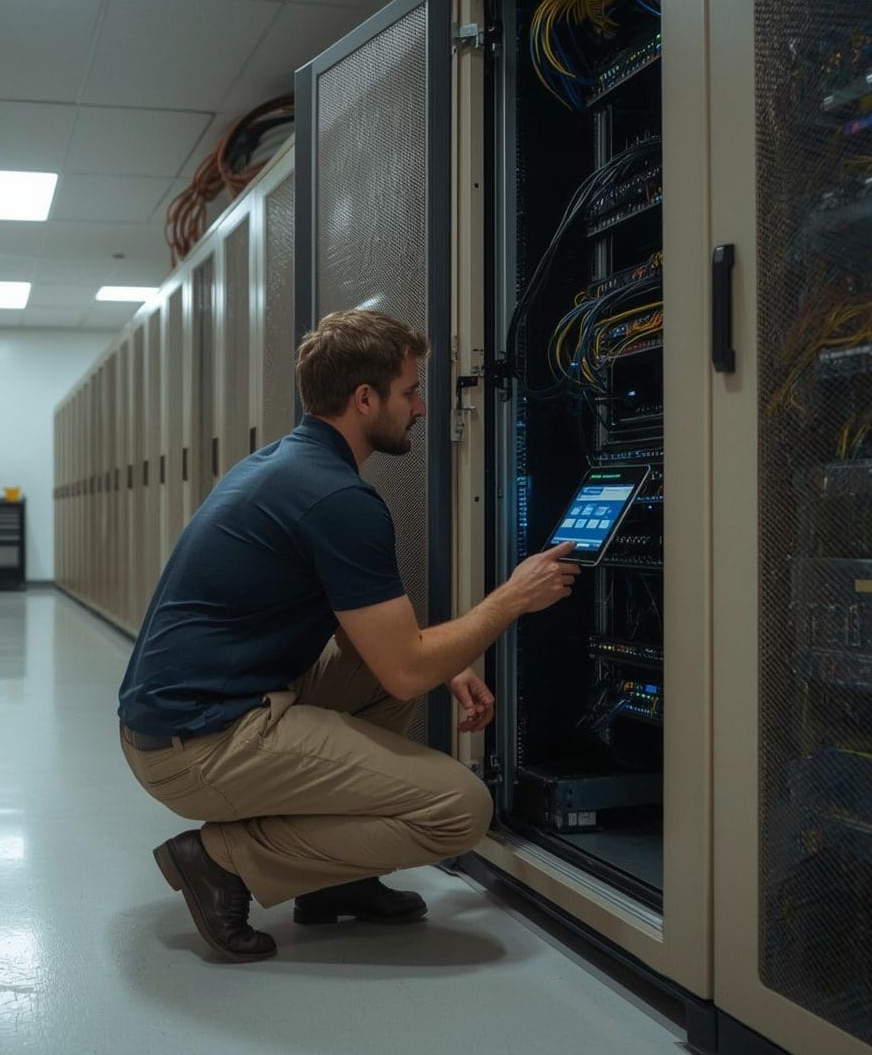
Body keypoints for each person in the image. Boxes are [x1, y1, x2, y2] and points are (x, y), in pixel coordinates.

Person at [116, 308, 579, 962]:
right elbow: (405, 669)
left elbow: (380, 642)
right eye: (411, 391)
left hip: (185, 714)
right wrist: (511, 599)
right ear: (365, 399)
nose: (421, 407)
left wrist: (445, 661)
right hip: (194, 744)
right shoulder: (337, 499)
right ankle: (219, 859)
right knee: (460, 809)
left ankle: (334, 881)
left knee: (397, 667)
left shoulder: (289, 465)